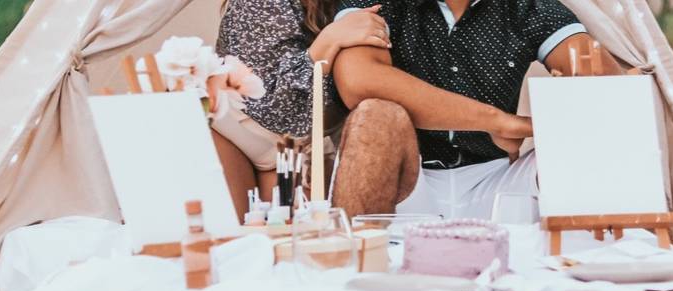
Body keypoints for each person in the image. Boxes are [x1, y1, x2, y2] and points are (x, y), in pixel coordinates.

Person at [329, 0, 625, 219]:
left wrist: (575, 87)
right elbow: (359, 81)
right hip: (407, 185)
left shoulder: (530, 7)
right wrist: (497, 122)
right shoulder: (375, 4)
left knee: (582, 143)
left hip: (499, 183)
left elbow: (604, 88)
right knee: (374, 117)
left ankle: (595, 267)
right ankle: (349, 278)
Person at [213, 0, 392, 219]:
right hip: (238, 130)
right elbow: (278, 109)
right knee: (236, 240)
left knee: (300, 241)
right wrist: (330, 40)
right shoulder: (261, 4)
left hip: (298, 141)